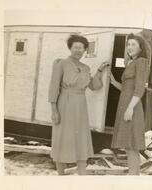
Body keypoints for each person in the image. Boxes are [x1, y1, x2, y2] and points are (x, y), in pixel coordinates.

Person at [48, 34, 109, 175]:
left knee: (81, 138)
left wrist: (100, 70)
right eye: (75, 47)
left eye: (81, 47)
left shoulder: (86, 68)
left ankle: (82, 177)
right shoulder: (61, 63)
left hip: (81, 106)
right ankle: (61, 176)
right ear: (70, 48)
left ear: (85, 49)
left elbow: (94, 86)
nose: (78, 50)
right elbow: (53, 88)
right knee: (62, 137)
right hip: (64, 104)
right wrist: (54, 110)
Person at [110, 33, 149, 175]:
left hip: (131, 106)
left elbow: (139, 88)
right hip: (125, 105)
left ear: (140, 48)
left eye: (134, 44)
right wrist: (114, 82)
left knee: (132, 146)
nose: (130, 47)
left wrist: (130, 108)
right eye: (129, 44)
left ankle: (134, 178)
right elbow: (127, 88)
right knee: (128, 146)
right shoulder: (131, 63)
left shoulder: (141, 61)